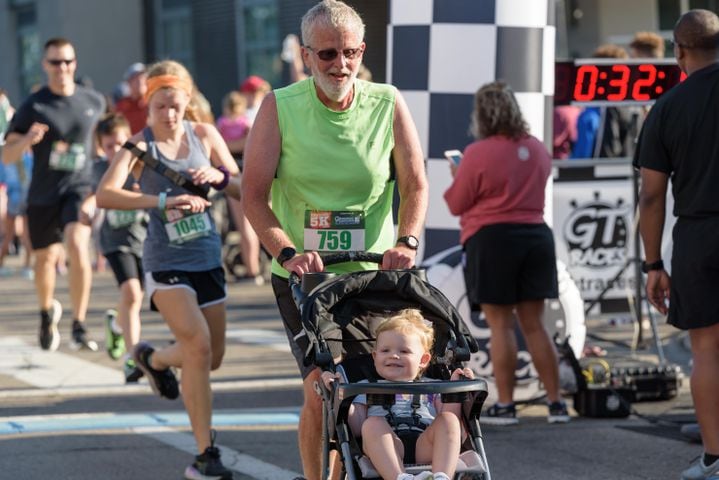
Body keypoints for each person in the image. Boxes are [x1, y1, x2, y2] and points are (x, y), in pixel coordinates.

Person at [241, 1, 428, 478]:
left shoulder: (386, 101)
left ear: (361, 51)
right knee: (321, 389)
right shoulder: (280, 106)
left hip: (372, 273)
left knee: (374, 388)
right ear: (306, 56)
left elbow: (415, 184)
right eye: (326, 55)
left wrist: (405, 241)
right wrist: (286, 250)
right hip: (305, 276)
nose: (339, 65)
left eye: (349, 53)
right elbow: (254, 196)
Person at [96, 59, 240, 480]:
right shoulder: (139, 146)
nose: (170, 114)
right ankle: (205, 453)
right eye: (161, 106)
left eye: (177, 105)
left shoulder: (205, 134)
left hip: (207, 258)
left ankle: (154, 359)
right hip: (165, 262)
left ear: (188, 101)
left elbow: (241, 184)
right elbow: (106, 194)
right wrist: (160, 202)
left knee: (211, 358)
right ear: (149, 104)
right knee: (196, 346)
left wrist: (217, 175)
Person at [443, 81, 569, 426]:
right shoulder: (538, 148)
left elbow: (457, 203)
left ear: (481, 114)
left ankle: (507, 404)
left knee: (501, 326)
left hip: (493, 239)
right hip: (536, 237)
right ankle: (557, 404)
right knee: (535, 325)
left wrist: (458, 174)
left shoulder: (478, 153)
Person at [634, 9, 719, 480]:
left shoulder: (667, 107)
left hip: (699, 236)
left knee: (706, 351)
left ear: (679, 51)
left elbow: (651, 194)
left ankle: (714, 458)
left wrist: (653, 264)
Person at [2, 37, 105, 352]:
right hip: (43, 192)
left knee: (77, 244)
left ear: (75, 63)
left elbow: (102, 145)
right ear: (45, 65)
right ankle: (47, 312)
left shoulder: (94, 101)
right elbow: (6, 155)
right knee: (45, 259)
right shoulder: (35, 105)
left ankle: (79, 324)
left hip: (79, 186)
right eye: (56, 62)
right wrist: (27, 140)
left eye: (68, 61)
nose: (63, 68)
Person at [321, 309, 474, 480]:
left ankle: (441, 477)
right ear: (374, 356)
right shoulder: (365, 387)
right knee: (372, 424)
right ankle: (400, 477)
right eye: (385, 350)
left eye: (404, 351)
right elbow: (355, 426)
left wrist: (456, 389)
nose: (393, 355)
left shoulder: (433, 386)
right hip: (384, 448)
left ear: (423, 360)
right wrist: (339, 391)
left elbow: (451, 420)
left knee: (448, 420)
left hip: (426, 445)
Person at [91, 113, 147, 382]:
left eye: (121, 143)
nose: (116, 150)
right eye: (109, 145)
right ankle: (132, 357)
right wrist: (85, 208)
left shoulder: (143, 166)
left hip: (144, 240)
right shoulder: (100, 171)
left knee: (133, 300)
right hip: (115, 242)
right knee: (132, 294)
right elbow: (94, 197)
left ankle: (116, 324)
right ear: (101, 147)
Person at [216, 91, 262, 284]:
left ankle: (252, 270)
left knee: (245, 226)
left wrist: (227, 146)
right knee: (253, 224)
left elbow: (219, 146)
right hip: (248, 173)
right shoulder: (246, 123)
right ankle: (254, 268)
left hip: (234, 176)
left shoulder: (222, 125)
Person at [572, 44, 638, 159]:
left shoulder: (595, 113)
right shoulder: (637, 107)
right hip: (632, 172)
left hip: (601, 173)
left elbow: (581, 158)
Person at [114, 62, 148, 134]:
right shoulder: (121, 106)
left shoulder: (153, 103)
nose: (140, 81)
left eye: (143, 77)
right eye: (136, 78)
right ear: (128, 82)